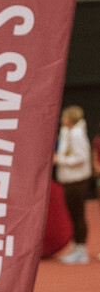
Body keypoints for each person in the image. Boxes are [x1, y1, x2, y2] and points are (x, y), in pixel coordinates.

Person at [53, 105, 92, 264]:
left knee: (78, 215)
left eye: (65, 117)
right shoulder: (67, 132)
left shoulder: (77, 134)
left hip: (77, 181)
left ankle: (81, 251)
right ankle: (77, 248)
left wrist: (60, 160)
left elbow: (81, 157)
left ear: (71, 118)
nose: (62, 119)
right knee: (74, 215)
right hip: (69, 180)